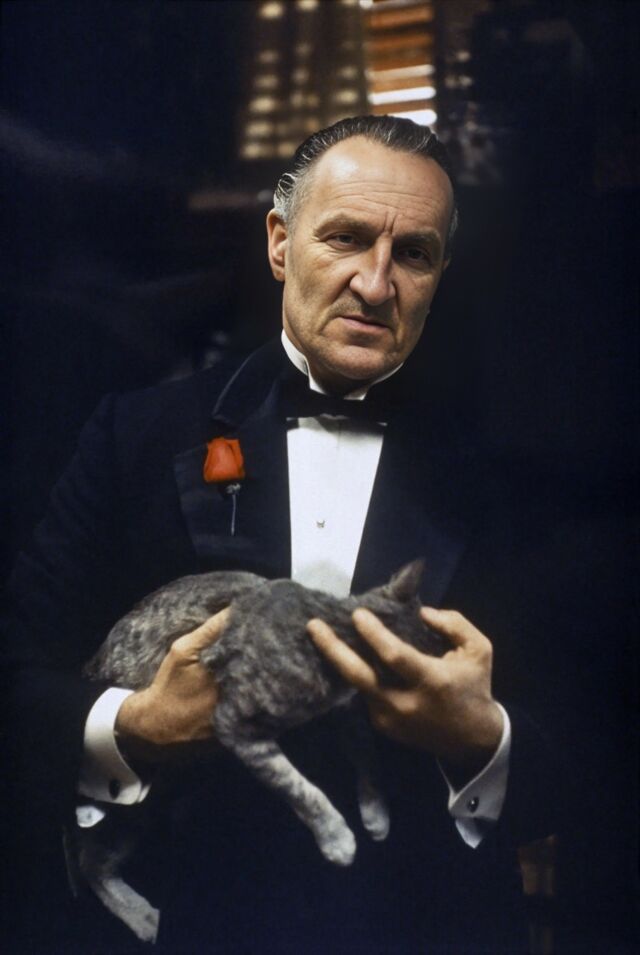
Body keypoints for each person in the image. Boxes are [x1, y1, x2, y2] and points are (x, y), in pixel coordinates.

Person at [4, 116, 564, 954]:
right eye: (346, 238)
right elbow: (17, 673)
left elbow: (599, 754)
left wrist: (484, 738)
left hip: (430, 927)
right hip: (184, 921)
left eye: (413, 253)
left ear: (440, 273)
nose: (375, 282)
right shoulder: (136, 435)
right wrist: (134, 724)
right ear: (278, 242)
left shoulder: (512, 473)